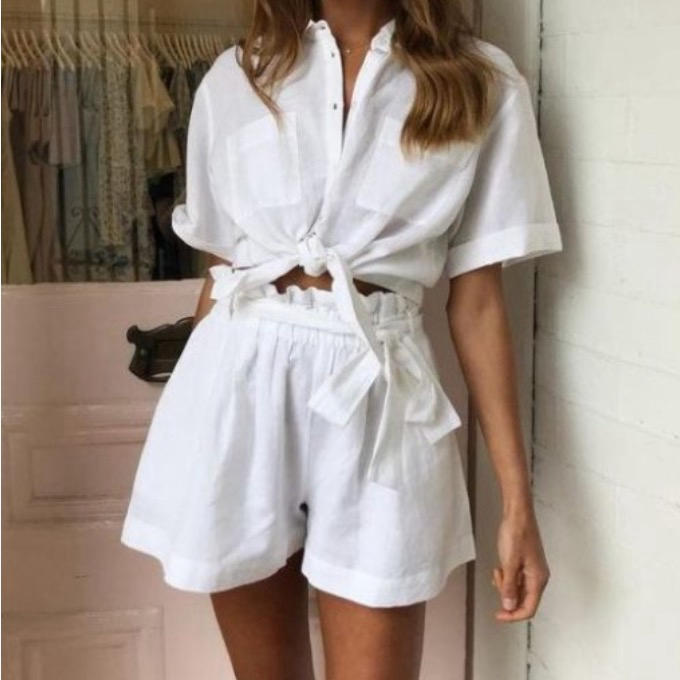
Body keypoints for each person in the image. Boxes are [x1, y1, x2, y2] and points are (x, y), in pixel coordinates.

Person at [120, 0, 562, 677]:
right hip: (238, 379)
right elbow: (220, 270)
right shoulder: (238, 76)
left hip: (380, 387)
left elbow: (477, 304)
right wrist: (193, 427)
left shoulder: (481, 80)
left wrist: (516, 502)